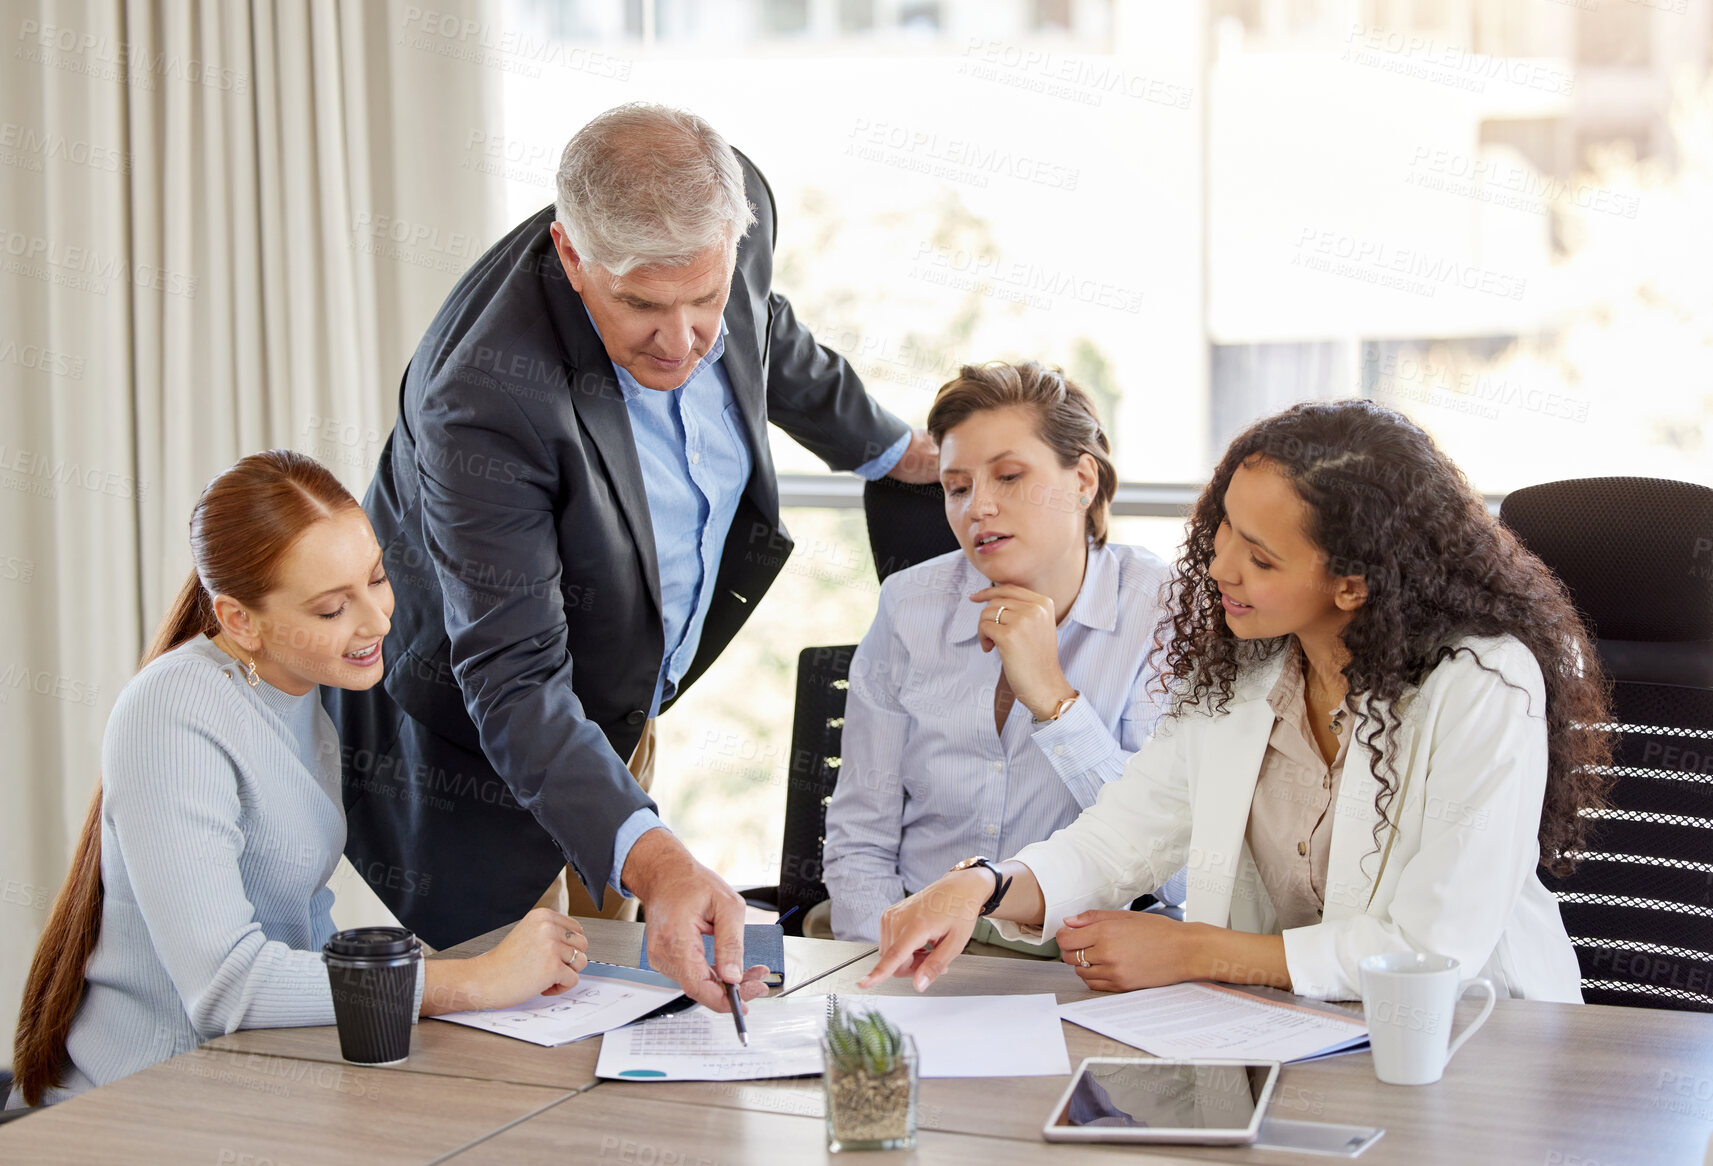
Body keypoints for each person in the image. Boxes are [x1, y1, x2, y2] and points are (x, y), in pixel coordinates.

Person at [324, 102, 937, 1013]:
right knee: (515, 1044)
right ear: (573, 258)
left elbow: (771, 337)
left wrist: (897, 453)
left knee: (628, 1003)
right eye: (642, 306)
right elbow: (516, 682)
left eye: (704, 297)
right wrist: (663, 861)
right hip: (476, 761)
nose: (684, 340)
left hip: (611, 709)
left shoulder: (737, 219)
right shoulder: (484, 400)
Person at [860, 400, 1613, 1002]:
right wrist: (983, 886)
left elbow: (1429, 949)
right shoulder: (1243, 668)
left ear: (1353, 581)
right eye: (1221, 529)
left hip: (1480, 1040)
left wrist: (1195, 952)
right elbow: (1117, 842)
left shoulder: (1481, 686)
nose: (1218, 565)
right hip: (1287, 1036)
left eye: (1258, 555)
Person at [8, 452, 604, 1108]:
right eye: (330, 609)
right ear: (238, 619)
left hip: (257, 1084)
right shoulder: (175, 708)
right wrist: (472, 981)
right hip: (150, 1107)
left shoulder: (302, 699)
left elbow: (301, 930)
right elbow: (226, 988)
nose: (377, 621)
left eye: (377, 579)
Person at [821, 362, 1181, 947]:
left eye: (1009, 477)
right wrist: (885, 968)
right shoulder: (909, 605)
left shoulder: (1159, 610)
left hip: (1086, 959)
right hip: (916, 946)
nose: (977, 508)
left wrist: (1055, 701)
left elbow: (1177, 869)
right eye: (957, 488)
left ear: (1083, 480)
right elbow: (860, 840)